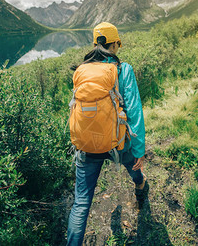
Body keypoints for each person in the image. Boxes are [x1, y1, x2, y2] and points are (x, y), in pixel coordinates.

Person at [66, 22, 148, 246]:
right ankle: (140, 187)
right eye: (117, 44)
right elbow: (134, 111)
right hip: (119, 143)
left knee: (81, 203)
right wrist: (139, 149)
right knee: (134, 167)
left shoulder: (82, 70)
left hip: (85, 146)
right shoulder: (123, 69)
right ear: (114, 44)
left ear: (95, 45)